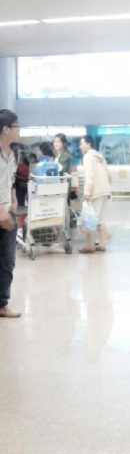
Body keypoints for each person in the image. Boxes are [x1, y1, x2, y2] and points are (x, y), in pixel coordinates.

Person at [0, 109, 22, 318]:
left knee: (7, 261)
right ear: (6, 129)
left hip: (7, 213)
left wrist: (13, 200)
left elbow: (10, 181)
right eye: (16, 126)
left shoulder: (14, 153)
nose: (19, 130)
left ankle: (2, 304)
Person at [79, 135, 112, 254]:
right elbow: (108, 174)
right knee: (100, 218)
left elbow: (89, 175)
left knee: (90, 218)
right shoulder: (99, 156)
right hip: (105, 190)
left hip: (96, 191)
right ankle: (101, 244)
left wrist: (87, 192)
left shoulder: (88, 157)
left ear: (88, 144)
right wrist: (108, 188)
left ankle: (90, 245)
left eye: (82, 144)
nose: (80, 146)